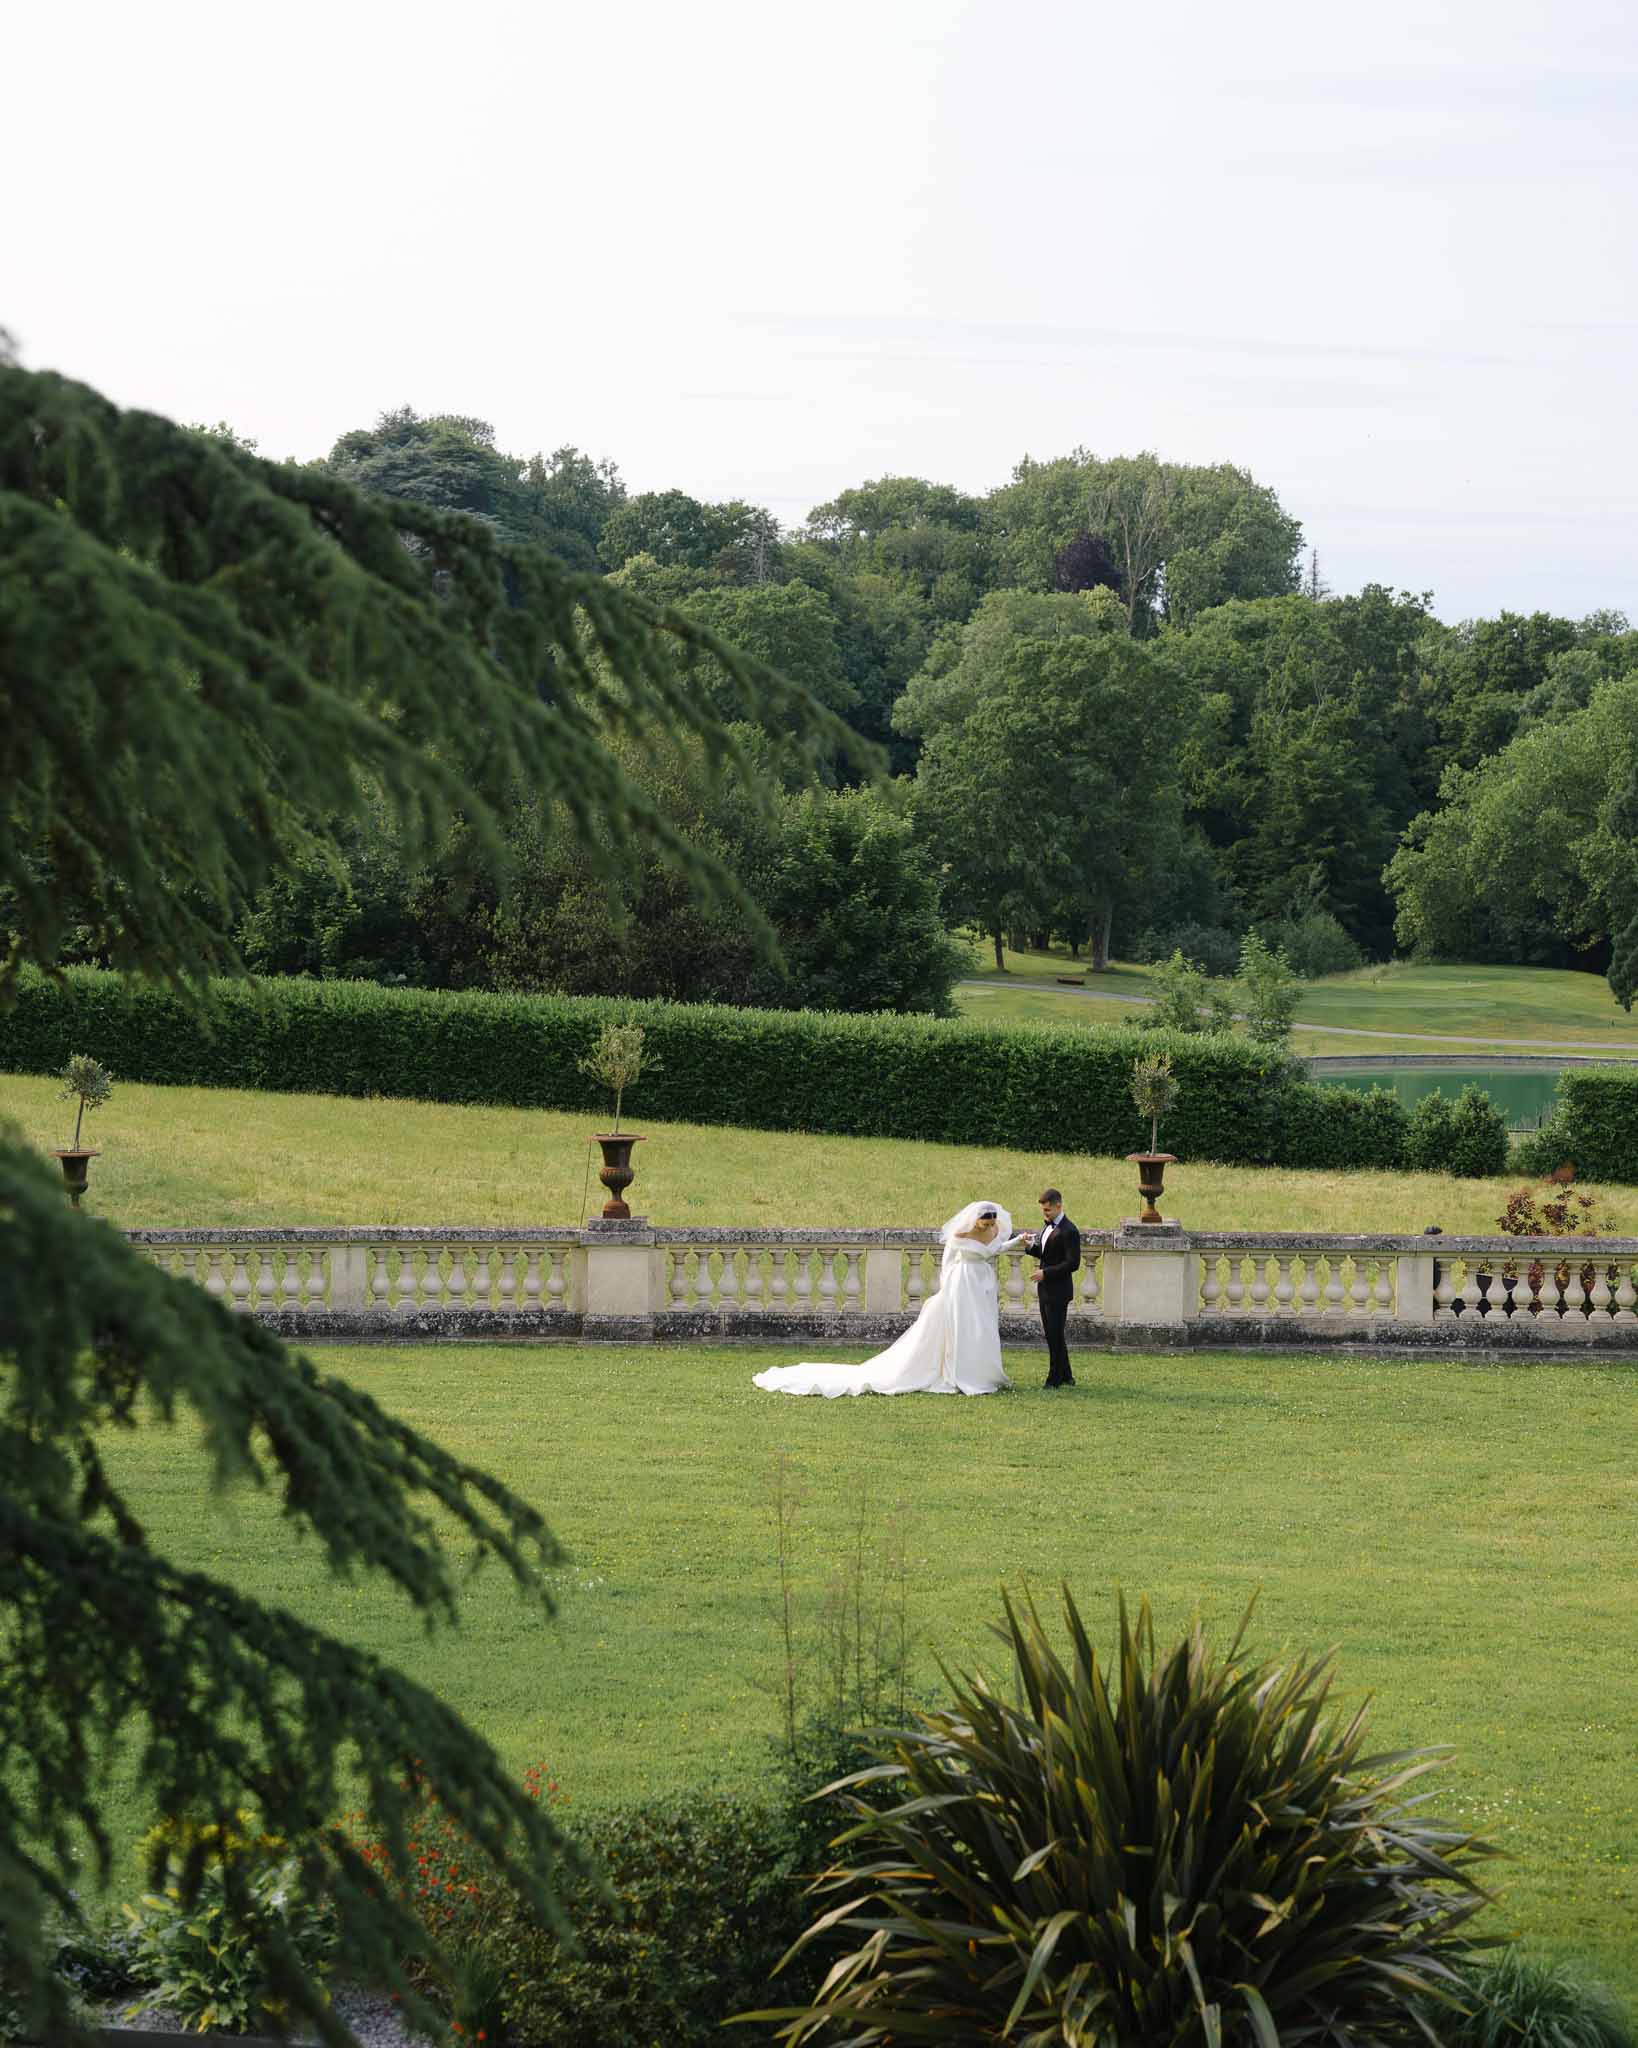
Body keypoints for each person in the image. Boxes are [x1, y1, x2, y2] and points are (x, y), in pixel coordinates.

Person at [751, 1200, 1027, 1398]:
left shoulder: (994, 1230)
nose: (989, 1226)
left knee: (980, 1327)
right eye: (985, 1222)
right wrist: (946, 1285)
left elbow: (995, 1249)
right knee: (962, 1326)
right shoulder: (961, 1234)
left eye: (991, 1222)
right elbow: (948, 1260)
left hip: (982, 1282)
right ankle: (959, 1373)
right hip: (963, 1281)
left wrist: (1017, 1242)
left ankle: (982, 1372)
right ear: (975, 1220)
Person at [1020, 1187, 1081, 1388]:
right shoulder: (1047, 1227)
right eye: (1042, 1210)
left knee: (1054, 1334)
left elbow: (1073, 1263)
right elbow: (1047, 1255)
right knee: (1053, 1334)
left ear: (1058, 1206)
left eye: (1047, 1210)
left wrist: (1045, 1273)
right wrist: (1029, 1247)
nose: (1044, 1214)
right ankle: (1066, 1375)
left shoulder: (1069, 1230)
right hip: (1045, 1290)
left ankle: (1054, 1378)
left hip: (1059, 1291)